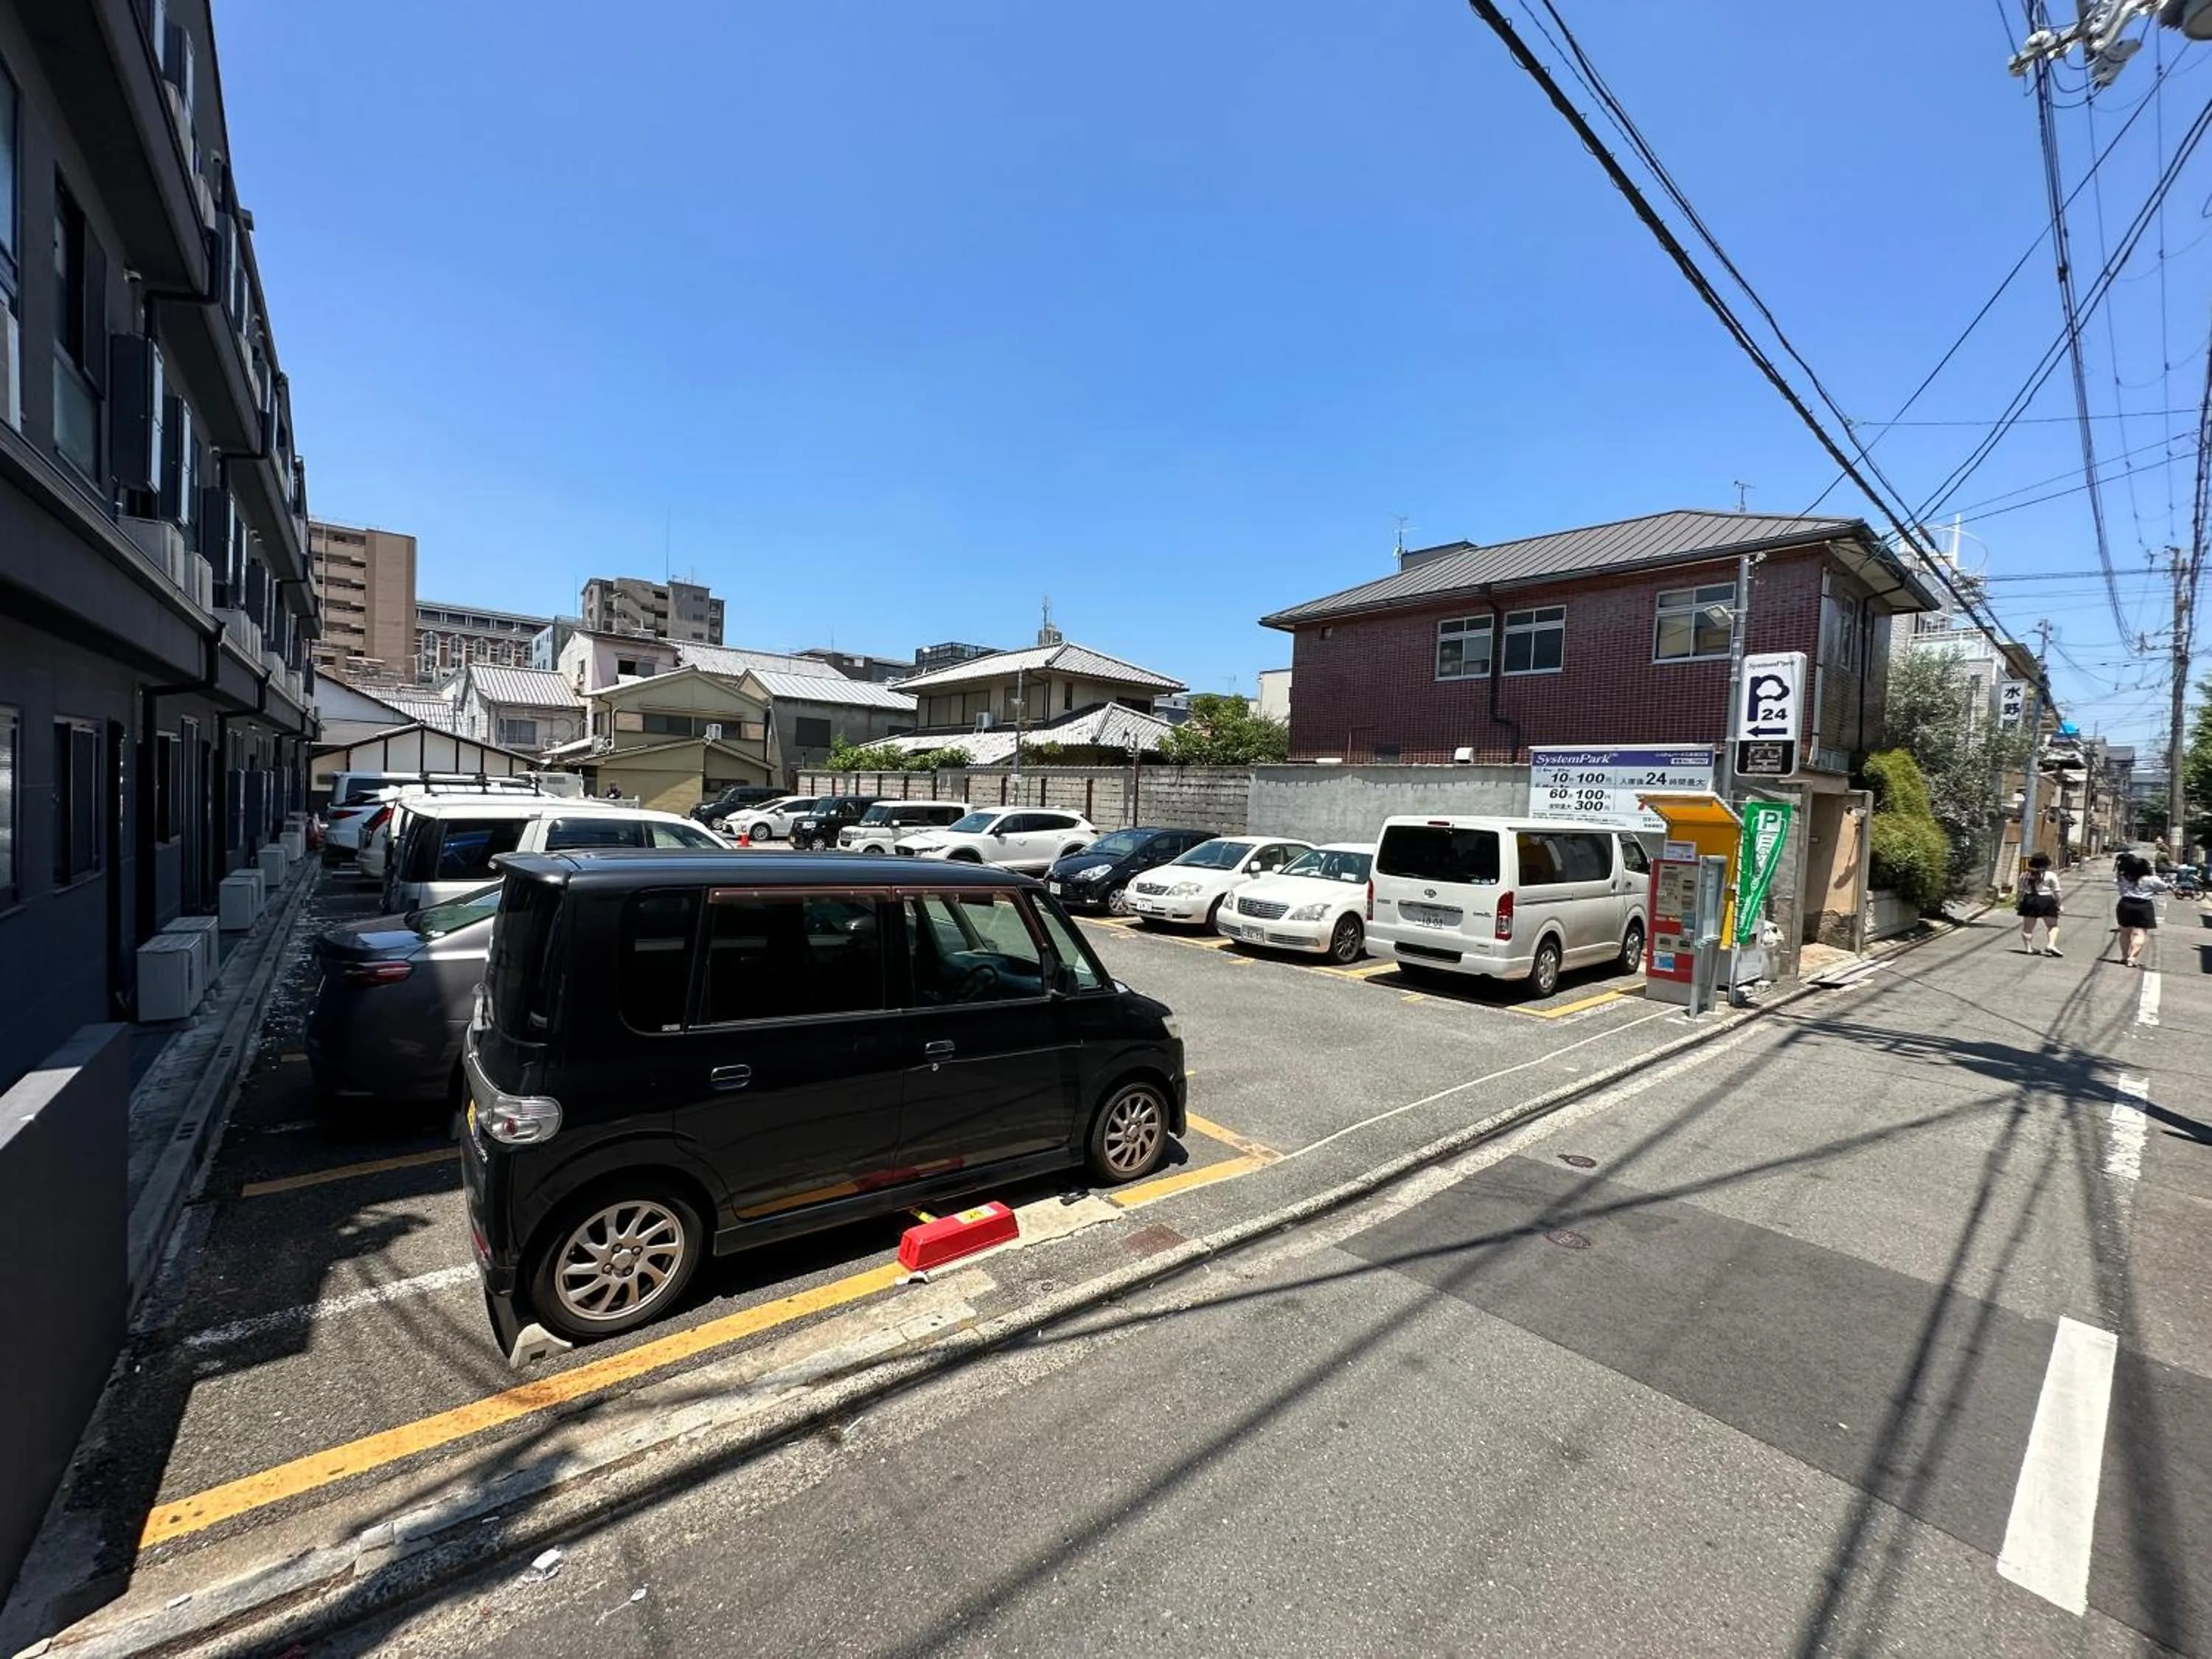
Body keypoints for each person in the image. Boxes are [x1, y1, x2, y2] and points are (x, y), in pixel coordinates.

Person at [2114, 851, 2167, 968]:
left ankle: (2124, 956)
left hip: (2126, 904)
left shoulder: (2124, 878)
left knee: (2125, 932)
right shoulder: (2152, 879)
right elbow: (2163, 887)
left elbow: (2118, 885)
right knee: (2140, 933)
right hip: (2143, 906)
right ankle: (2132, 958)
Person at [2016, 852, 2062, 956]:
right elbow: (2057, 892)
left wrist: (2018, 902)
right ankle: (2051, 945)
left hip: (2029, 899)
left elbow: (2020, 890)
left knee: (2028, 928)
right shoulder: (2050, 875)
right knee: (2052, 926)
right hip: (2046, 900)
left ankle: (2029, 949)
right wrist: (2059, 904)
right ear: (2046, 863)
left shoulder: (2024, 874)